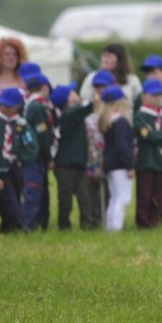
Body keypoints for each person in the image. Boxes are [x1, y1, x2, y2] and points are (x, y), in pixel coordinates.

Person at [0, 86, 35, 233]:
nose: (4, 108)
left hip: (14, 169)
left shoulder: (22, 124)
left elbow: (31, 146)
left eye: (9, 106)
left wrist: (20, 159)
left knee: (14, 196)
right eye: (2, 104)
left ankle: (9, 227)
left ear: (17, 106)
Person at [52, 84, 99, 230]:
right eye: (72, 93)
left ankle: (87, 225)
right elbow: (88, 108)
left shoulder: (73, 113)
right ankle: (65, 225)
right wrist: (97, 97)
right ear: (68, 99)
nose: (75, 94)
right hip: (66, 164)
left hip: (77, 162)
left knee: (84, 196)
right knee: (66, 198)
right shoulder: (69, 113)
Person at [134, 78, 162, 228]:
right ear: (144, 96)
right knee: (145, 194)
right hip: (147, 160)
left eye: (160, 95)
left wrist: (159, 136)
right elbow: (147, 136)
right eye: (153, 95)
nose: (158, 98)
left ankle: (158, 221)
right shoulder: (141, 115)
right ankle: (144, 223)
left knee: (161, 194)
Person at [21, 73, 54, 231]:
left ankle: (38, 223)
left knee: (36, 190)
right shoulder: (39, 107)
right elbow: (42, 135)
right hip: (37, 156)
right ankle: (29, 225)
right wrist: (49, 156)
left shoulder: (27, 104)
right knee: (34, 190)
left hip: (29, 153)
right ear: (45, 88)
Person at [99, 85, 134, 231]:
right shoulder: (121, 121)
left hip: (110, 163)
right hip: (120, 164)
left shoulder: (108, 120)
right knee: (123, 197)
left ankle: (110, 226)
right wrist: (129, 165)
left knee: (114, 197)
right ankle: (116, 227)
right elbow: (122, 146)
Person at [84, 70, 114, 226]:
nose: (100, 90)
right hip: (91, 154)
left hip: (108, 153)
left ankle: (104, 218)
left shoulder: (114, 107)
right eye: (97, 87)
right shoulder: (88, 106)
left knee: (107, 189)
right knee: (90, 190)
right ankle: (92, 220)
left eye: (103, 86)